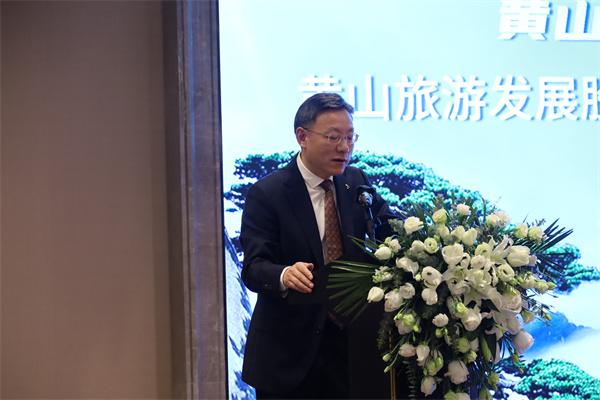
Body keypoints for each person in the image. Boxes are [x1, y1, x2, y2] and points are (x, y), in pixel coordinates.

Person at [240, 93, 397, 399]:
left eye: (350, 137)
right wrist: (284, 274)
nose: (345, 147)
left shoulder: (355, 181)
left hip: (351, 347)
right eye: (333, 137)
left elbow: (391, 228)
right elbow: (254, 267)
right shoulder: (268, 193)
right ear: (302, 137)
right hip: (289, 353)